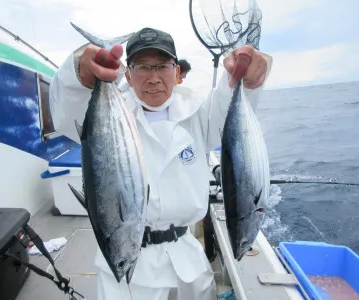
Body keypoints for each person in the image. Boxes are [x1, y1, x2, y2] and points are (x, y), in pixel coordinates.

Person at [50, 27, 271, 300]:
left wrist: (248, 76)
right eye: (143, 66)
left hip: (188, 260)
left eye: (162, 66)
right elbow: (64, 113)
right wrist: (79, 69)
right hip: (129, 269)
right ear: (128, 75)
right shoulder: (108, 114)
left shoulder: (199, 113)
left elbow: (234, 108)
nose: (153, 78)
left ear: (177, 72)